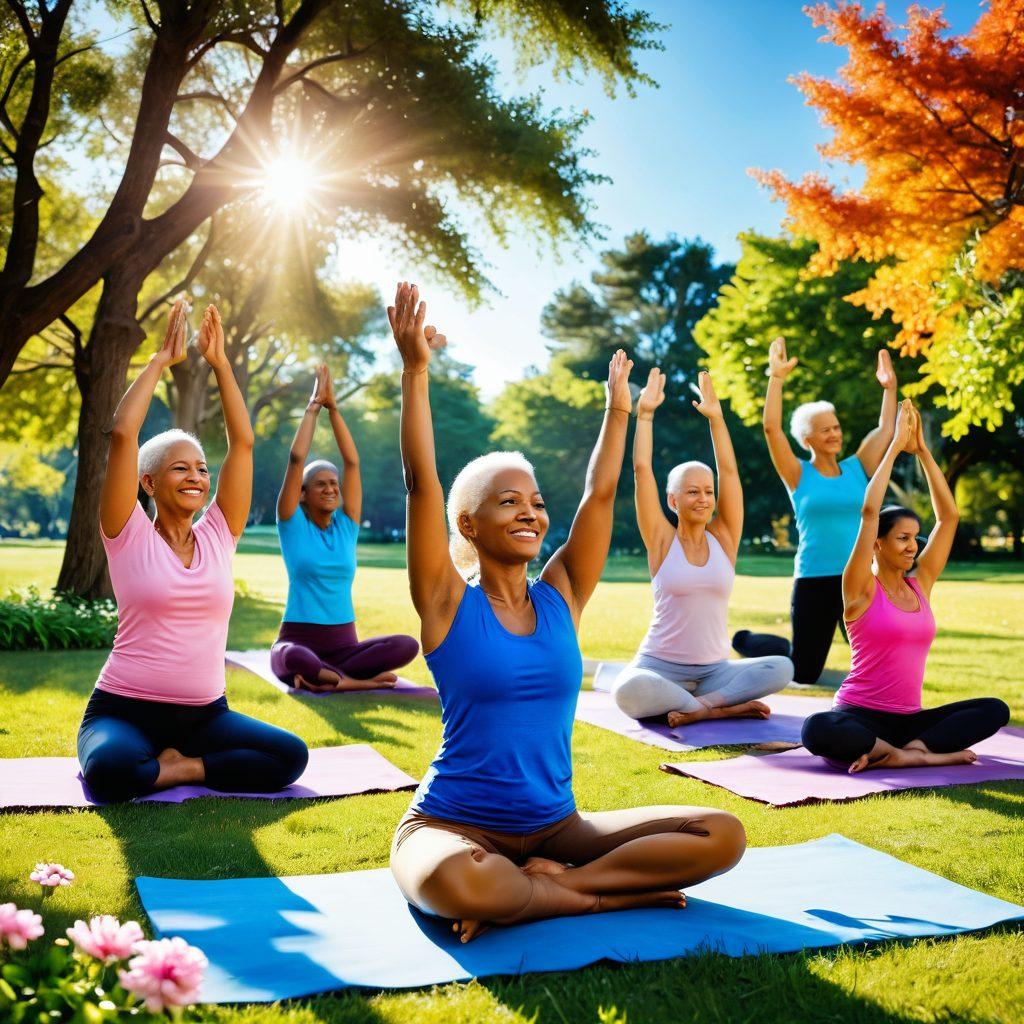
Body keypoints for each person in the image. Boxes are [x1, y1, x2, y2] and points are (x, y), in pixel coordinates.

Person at [386, 282, 746, 943]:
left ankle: (548, 889)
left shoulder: (562, 596)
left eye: (536, 501)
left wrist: (619, 410)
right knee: (457, 882)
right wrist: (415, 374)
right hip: (452, 826)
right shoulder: (445, 601)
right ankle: (592, 897)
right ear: (468, 523)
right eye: (507, 502)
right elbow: (421, 482)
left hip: (558, 827)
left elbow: (601, 496)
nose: (530, 510)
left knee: (720, 834)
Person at [77, 299, 308, 803]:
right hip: (123, 708)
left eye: (201, 468)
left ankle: (180, 769)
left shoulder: (219, 534)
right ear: (149, 483)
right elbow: (121, 435)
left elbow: (242, 445)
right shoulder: (127, 531)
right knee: (109, 769)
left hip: (206, 717)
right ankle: (166, 766)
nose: (197, 477)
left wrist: (222, 365)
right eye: (180, 468)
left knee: (290, 756)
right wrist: (160, 360)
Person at [801, 400, 1009, 772]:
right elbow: (868, 513)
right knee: (817, 728)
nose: (913, 545)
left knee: (994, 709)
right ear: (878, 543)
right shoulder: (860, 589)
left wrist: (923, 450)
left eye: (915, 537)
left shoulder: (920, 586)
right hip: (859, 716)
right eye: (902, 538)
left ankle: (907, 752)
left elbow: (949, 517)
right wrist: (895, 446)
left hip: (911, 722)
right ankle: (909, 754)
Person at [612, 368, 793, 726]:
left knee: (781, 666)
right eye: (692, 492)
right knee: (628, 691)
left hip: (715, 670)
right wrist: (645, 415)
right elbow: (641, 470)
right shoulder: (661, 540)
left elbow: (728, 470)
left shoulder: (725, 538)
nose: (704, 498)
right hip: (659, 666)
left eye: (708, 491)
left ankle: (701, 706)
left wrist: (717, 420)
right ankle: (722, 708)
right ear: (673, 501)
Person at [732, 338, 899, 685]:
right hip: (814, 578)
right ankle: (752, 642)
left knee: (875, 666)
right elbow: (771, 429)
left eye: (836, 427)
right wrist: (775, 378)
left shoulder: (857, 467)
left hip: (859, 577)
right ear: (807, 439)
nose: (835, 434)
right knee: (805, 672)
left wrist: (889, 388)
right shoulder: (797, 474)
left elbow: (885, 430)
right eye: (826, 430)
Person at [270, 365, 418, 693]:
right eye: (320, 484)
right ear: (303, 494)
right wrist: (313, 407)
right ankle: (352, 683)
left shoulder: (347, 525)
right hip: (298, 640)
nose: (331, 489)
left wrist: (334, 408)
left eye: (334, 484)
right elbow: (296, 460)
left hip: (343, 645)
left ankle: (331, 678)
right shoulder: (292, 523)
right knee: (296, 658)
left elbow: (352, 463)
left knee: (407, 645)